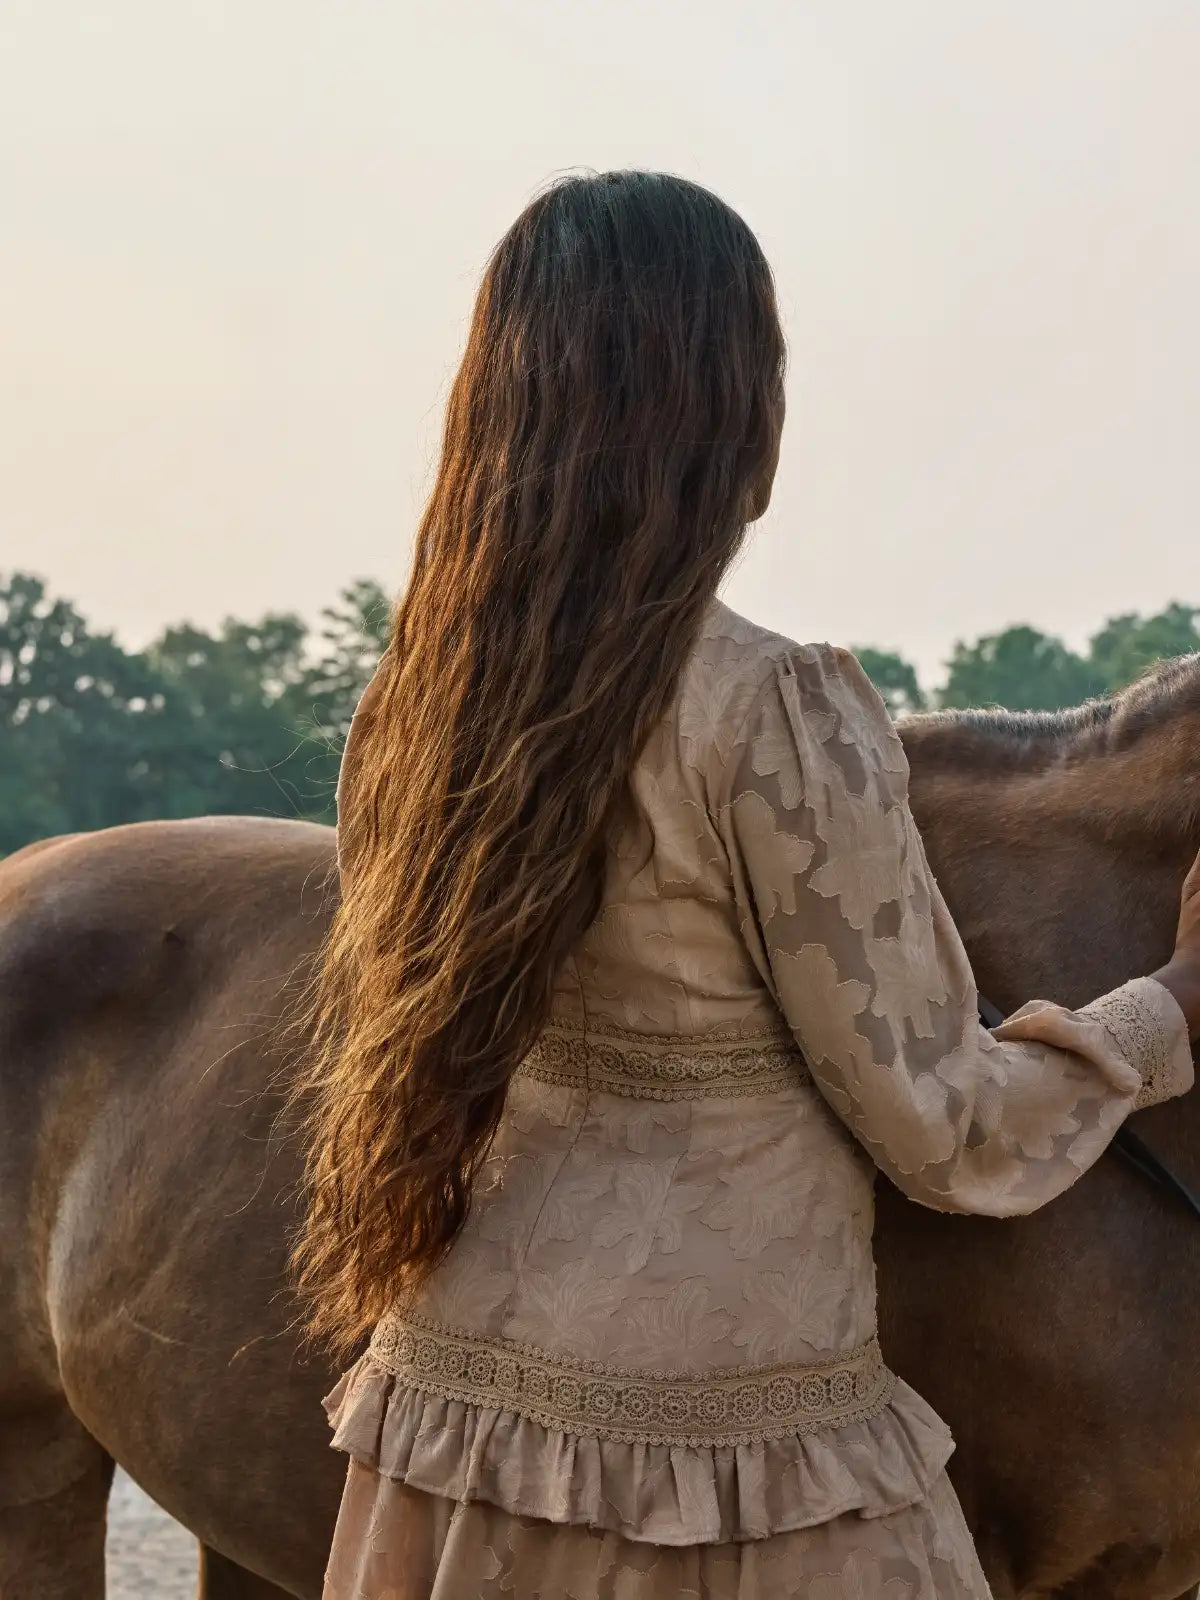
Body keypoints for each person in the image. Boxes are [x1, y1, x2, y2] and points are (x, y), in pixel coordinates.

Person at [294, 171, 1200, 1600]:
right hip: (727, 1478)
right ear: (728, 408)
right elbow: (948, 1129)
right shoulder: (776, 713)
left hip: (456, 1442)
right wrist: (1168, 1009)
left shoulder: (410, 708)